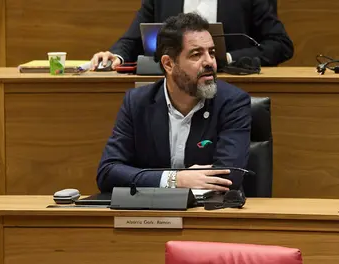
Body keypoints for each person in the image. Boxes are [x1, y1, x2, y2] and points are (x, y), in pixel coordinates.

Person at [96, 13, 251, 193]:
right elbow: (108, 173)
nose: (209, 62)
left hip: (206, 214)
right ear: (168, 64)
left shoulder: (233, 102)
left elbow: (228, 177)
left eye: (212, 52)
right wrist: (175, 179)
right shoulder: (137, 103)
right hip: (149, 216)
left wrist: (153, 180)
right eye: (196, 54)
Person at [90, 0, 293, 68]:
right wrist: (115, 56)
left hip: (230, 88)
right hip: (170, 90)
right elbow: (133, 40)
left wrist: (226, 59)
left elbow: (280, 44)